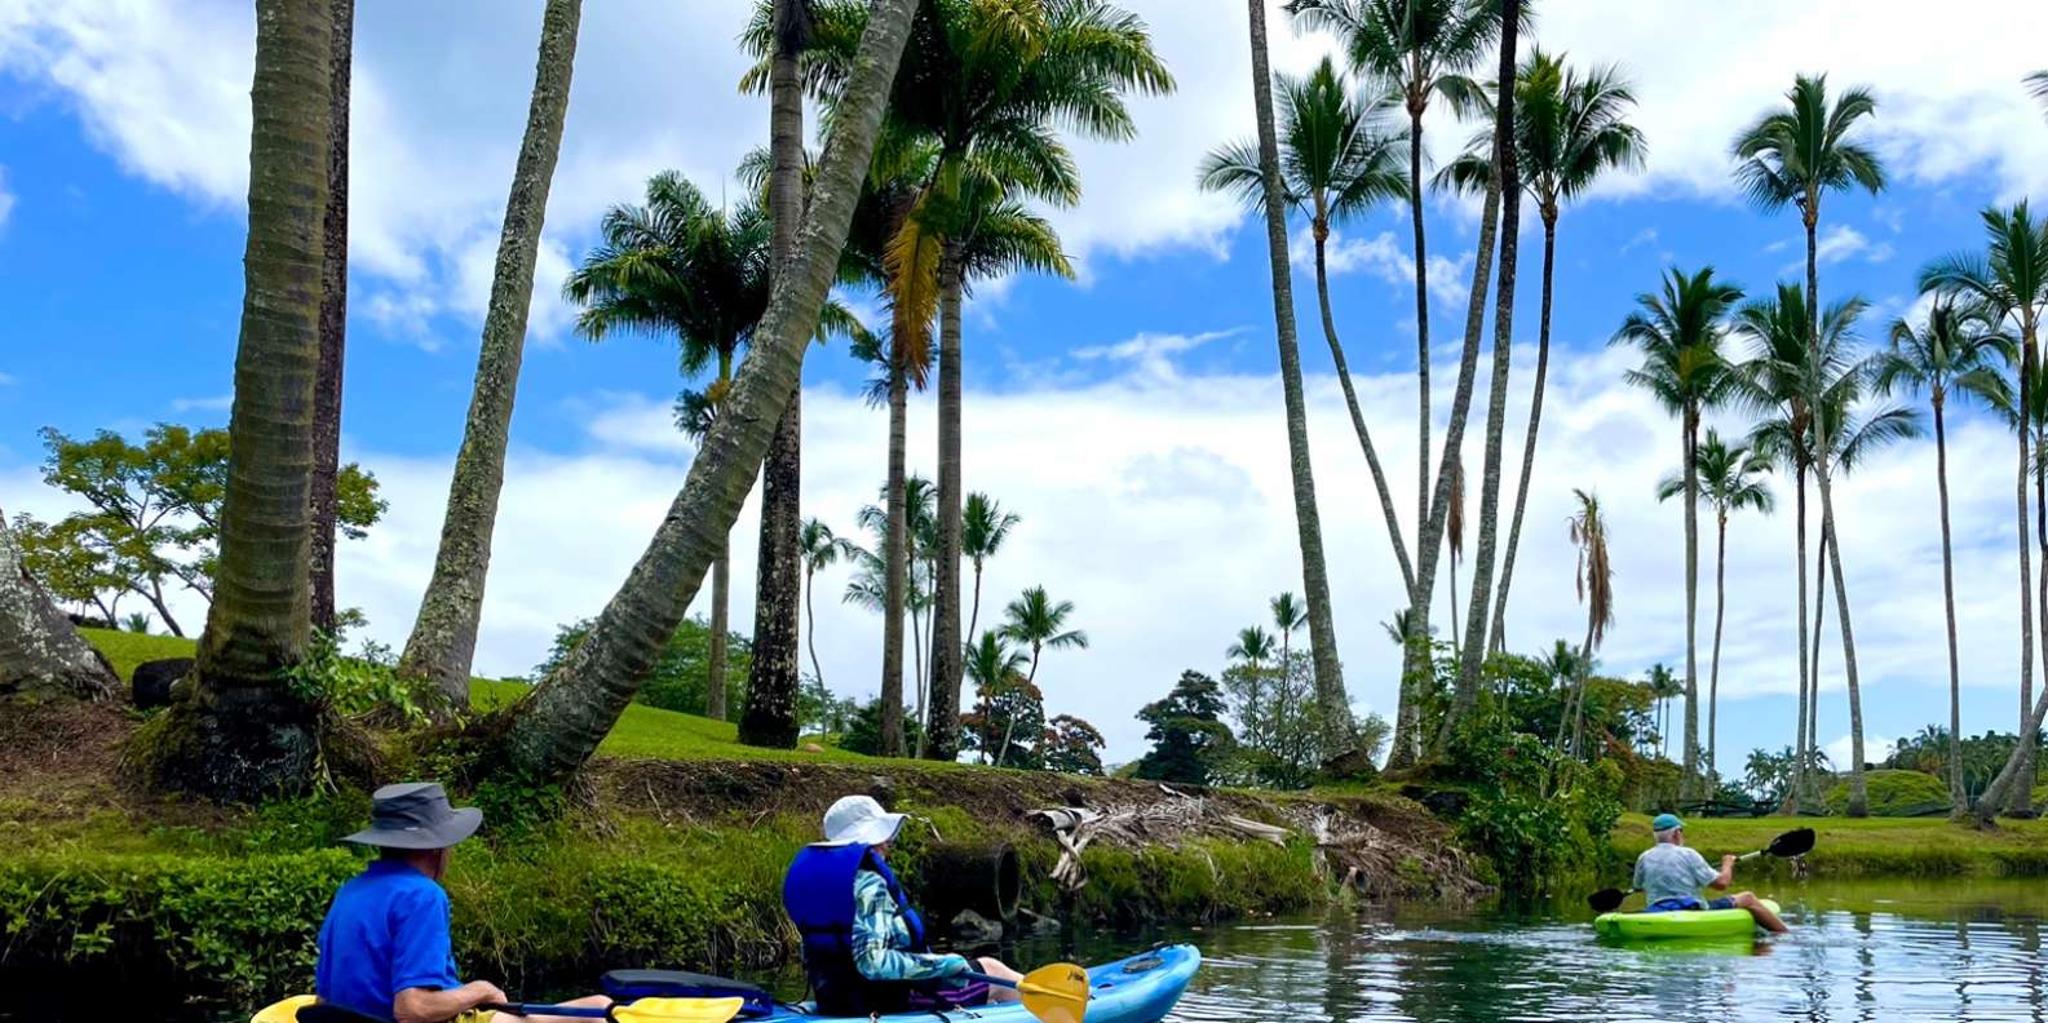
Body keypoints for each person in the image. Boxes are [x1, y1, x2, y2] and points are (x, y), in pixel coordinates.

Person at [314, 782, 612, 1023]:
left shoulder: (350, 891)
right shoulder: (422, 895)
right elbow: (412, 1009)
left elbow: (323, 1002)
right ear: (439, 848)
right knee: (600, 1012)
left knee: (595, 1005)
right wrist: (481, 990)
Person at [783, 795, 1026, 1015]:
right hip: (889, 999)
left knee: (986, 967)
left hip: (833, 996)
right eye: (881, 836)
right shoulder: (868, 883)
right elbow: (872, 962)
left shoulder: (826, 880)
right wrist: (944, 965)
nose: (888, 843)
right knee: (995, 972)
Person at [1633, 813, 1788, 933]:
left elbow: (1639, 886)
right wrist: (1727, 864)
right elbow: (1721, 884)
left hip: (1657, 910)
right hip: (1691, 911)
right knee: (1748, 897)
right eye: (1681, 831)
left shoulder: (1644, 857)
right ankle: (1785, 934)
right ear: (1676, 834)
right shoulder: (1688, 854)